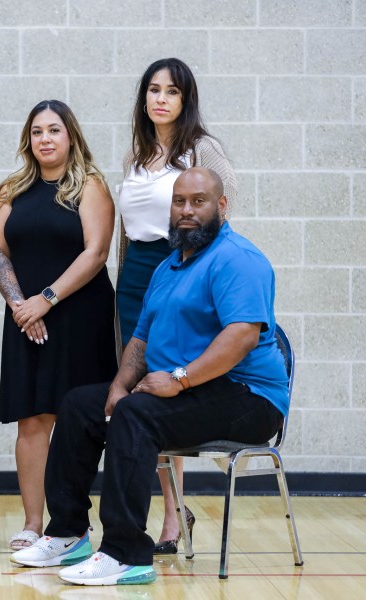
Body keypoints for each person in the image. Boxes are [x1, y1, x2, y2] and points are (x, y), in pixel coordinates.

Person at [11, 167, 288, 587]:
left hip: (249, 398)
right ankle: (68, 532)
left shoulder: (239, 259)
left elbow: (242, 337)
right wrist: (119, 387)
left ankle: (126, 554)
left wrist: (178, 380)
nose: (187, 211)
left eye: (199, 201)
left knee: (137, 415)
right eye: (179, 202)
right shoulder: (169, 267)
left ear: (222, 206)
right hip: (191, 387)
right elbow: (140, 340)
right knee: (81, 404)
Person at [117, 57, 238, 554]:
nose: (160, 98)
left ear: (186, 99)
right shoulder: (134, 156)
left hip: (181, 267)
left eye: (171, 91)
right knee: (136, 387)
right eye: (152, 90)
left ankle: (172, 515)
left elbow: (224, 211)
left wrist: (200, 275)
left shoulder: (202, 149)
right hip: (135, 276)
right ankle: (166, 507)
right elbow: (128, 232)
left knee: (167, 386)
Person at [0, 100, 117, 551]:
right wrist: (21, 306)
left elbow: (95, 253)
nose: (45, 138)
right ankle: (32, 522)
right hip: (25, 319)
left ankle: (70, 525)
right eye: (38, 131)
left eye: (54, 130)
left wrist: (45, 300)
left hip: (79, 315)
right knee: (32, 419)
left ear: (70, 137)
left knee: (76, 419)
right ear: (29, 139)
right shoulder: (11, 190)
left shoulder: (91, 186)